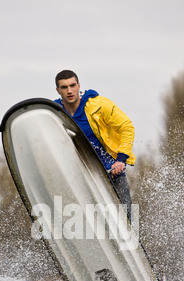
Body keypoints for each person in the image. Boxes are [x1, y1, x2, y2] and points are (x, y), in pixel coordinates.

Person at [54, 70, 136, 221]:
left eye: (72, 85)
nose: (69, 91)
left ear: (79, 86)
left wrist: (121, 159)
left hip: (112, 171)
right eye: (64, 87)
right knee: (83, 221)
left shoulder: (99, 105)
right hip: (81, 176)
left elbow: (126, 126)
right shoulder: (54, 113)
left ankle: (129, 240)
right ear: (58, 90)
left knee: (126, 218)